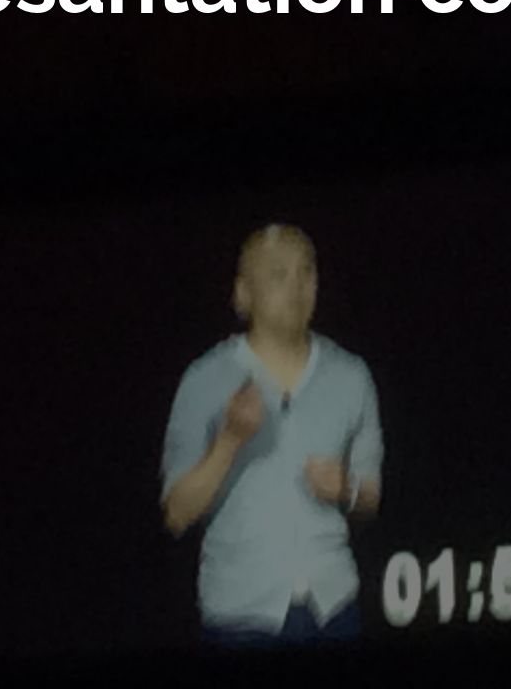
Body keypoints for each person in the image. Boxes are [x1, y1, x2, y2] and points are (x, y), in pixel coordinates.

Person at [159, 223, 384, 649]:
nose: (297, 287)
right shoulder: (204, 379)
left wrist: (347, 490)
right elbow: (176, 514)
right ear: (243, 294)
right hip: (240, 620)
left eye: (307, 272)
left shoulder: (352, 376)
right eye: (279, 275)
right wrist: (229, 441)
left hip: (335, 611)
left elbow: (371, 498)